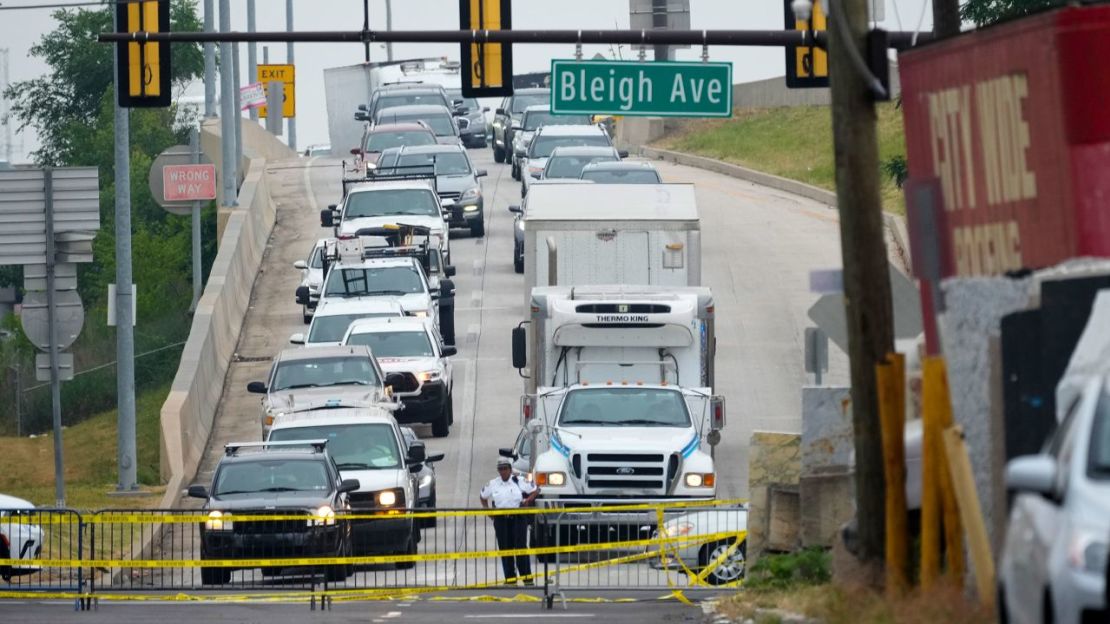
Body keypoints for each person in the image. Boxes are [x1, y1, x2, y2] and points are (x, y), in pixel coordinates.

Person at [479, 457, 539, 585]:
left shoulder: (519, 480)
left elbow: (535, 490)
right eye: (500, 469)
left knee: (521, 548)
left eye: (505, 468)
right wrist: (488, 511)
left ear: (510, 469)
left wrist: (528, 500)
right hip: (501, 519)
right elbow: (482, 496)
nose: (503, 471)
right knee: (505, 548)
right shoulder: (493, 483)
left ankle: (527, 579)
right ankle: (510, 579)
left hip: (518, 517)